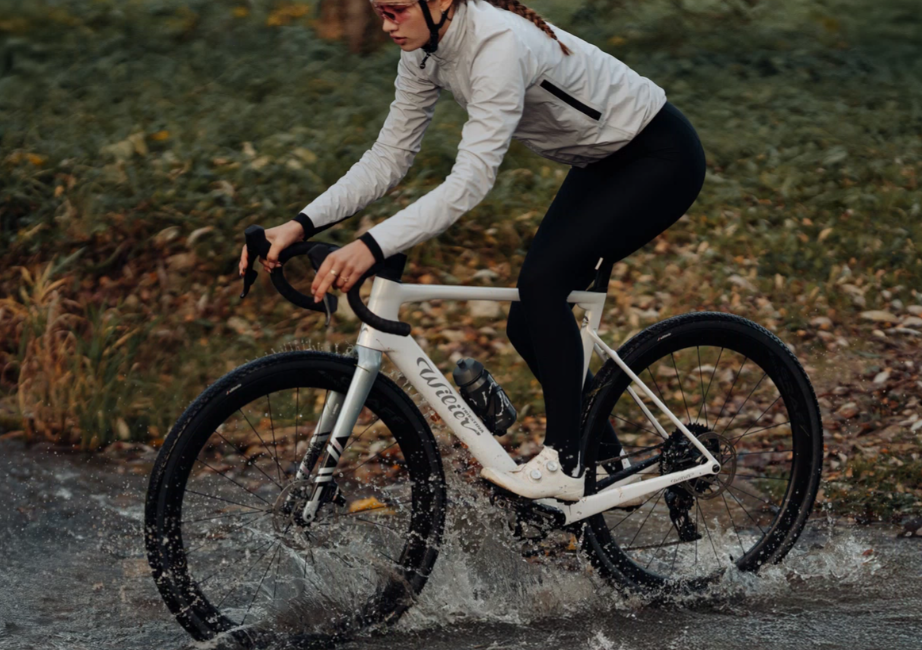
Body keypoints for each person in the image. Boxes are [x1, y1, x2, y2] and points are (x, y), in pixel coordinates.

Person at [238, 0, 706, 501]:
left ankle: (565, 461)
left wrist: (371, 246)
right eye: (380, 12)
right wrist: (301, 223)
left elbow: (471, 181)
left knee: (543, 286)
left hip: (659, 158)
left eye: (396, 10)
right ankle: (608, 465)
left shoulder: (496, 43)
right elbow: (389, 158)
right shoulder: (424, 50)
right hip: (600, 162)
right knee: (526, 321)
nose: (387, 25)